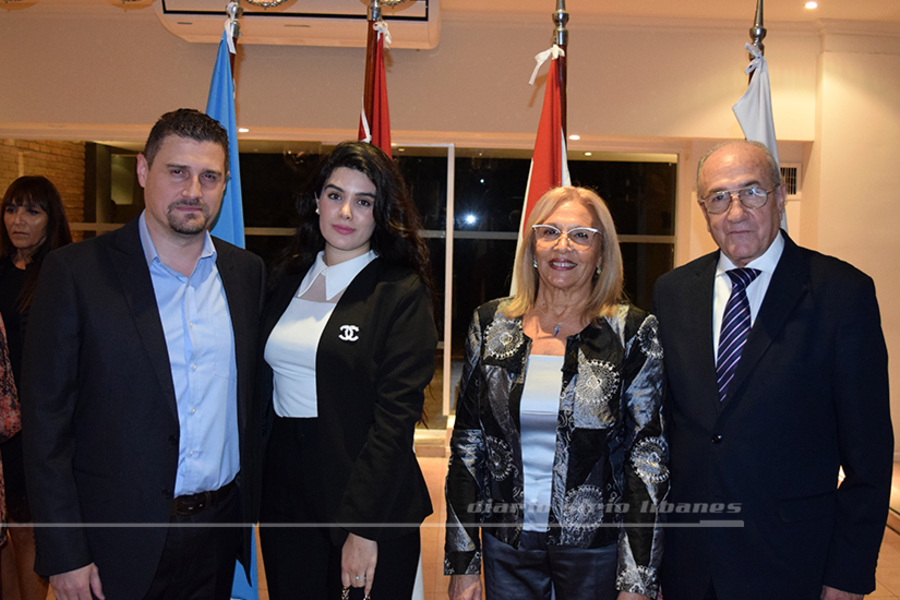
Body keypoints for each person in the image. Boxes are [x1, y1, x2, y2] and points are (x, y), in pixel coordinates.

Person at [21, 108, 265, 600]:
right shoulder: (75, 274)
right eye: (177, 171)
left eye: (209, 176)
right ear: (142, 171)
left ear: (224, 185)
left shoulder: (247, 275)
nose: (193, 190)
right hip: (114, 543)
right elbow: (46, 426)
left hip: (216, 537)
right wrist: (66, 551)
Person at [652, 140, 893, 600]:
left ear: (780, 197)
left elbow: (870, 457)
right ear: (704, 210)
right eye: (719, 197)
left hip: (792, 565)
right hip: (688, 566)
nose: (736, 211)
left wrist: (848, 575)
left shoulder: (842, 294)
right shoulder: (673, 293)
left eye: (752, 192)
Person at [445, 186, 667, 600]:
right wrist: (463, 561)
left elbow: (647, 462)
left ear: (602, 252)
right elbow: (467, 447)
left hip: (596, 553)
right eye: (549, 232)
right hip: (506, 546)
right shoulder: (491, 325)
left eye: (581, 235)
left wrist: (638, 580)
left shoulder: (632, 332)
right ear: (532, 246)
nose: (562, 246)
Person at [257, 141, 437, 600]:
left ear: (380, 214)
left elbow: (394, 423)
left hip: (362, 494)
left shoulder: (399, 291)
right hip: (285, 493)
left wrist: (363, 527)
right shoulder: (285, 276)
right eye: (335, 195)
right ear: (316, 200)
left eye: (363, 201)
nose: (345, 212)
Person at [0, 175, 71, 600]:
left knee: (28, 534)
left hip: (37, 429)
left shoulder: (61, 274)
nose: (18, 220)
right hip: (2, 427)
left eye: (32, 210)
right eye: (11, 208)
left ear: (51, 219)